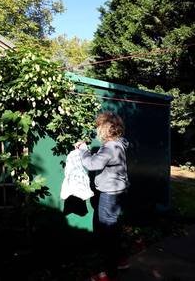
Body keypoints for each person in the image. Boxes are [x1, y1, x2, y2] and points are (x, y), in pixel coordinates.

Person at [75, 111, 130, 281]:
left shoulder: (110, 146)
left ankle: (109, 274)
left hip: (109, 194)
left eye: (99, 126)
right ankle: (120, 260)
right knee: (111, 229)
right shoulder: (119, 143)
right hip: (118, 192)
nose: (97, 129)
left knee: (107, 233)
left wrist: (83, 149)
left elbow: (92, 164)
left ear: (105, 128)